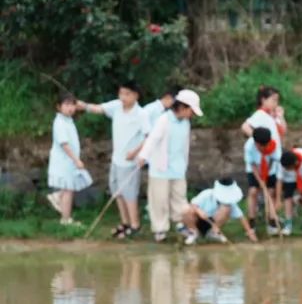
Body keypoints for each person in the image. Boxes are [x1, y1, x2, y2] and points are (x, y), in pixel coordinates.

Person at [79, 81, 149, 239]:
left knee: (130, 194)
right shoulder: (116, 106)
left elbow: (148, 137)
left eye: (127, 94)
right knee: (116, 191)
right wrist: (84, 106)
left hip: (130, 162)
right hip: (116, 160)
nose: (123, 97)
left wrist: (135, 152)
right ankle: (125, 223)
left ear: (135, 96)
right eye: (121, 93)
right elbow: (99, 108)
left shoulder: (141, 114)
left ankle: (135, 225)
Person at [137, 89, 203, 242]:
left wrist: (185, 164)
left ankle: (180, 224)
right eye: (191, 111)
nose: (192, 114)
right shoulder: (164, 120)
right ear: (182, 107)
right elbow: (152, 139)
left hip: (178, 168)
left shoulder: (186, 123)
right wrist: (143, 156)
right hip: (161, 168)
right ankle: (160, 230)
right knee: (159, 200)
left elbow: (185, 146)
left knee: (179, 200)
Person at [47, 93, 92, 226]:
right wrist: (76, 160)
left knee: (69, 188)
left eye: (72, 104)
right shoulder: (59, 122)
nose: (70, 108)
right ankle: (65, 219)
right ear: (58, 107)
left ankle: (61, 206)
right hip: (64, 161)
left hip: (69, 161)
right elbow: (64, 143)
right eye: (66, 105)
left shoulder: (68, 121)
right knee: (68, 189)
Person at [181, 178, 257, 245]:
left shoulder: (229, 202)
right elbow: (193, 205)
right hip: (197, 220)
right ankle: (193, 233)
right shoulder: (207, 194)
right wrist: (199, 211)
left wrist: (250, 233)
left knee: (227, 209)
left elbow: (241, 217)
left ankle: (213, 233)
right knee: (185, 209)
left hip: (213, 223)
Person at [244, 126, 282, 234]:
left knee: (270, 192)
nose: (264, 148)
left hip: (269, 169)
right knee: (253, 191)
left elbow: (273, 161)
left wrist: (265, 177)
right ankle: (251, 221)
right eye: (262, 146)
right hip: (254, 169)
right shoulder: (249, 146)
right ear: (256, 143)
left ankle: (272, 221)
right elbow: (252, 165)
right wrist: (260, 180)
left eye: (266, 145)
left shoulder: (274, 145)